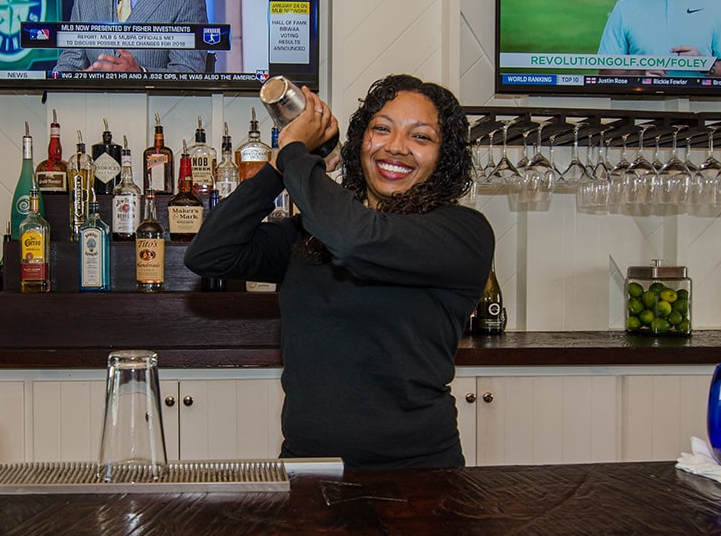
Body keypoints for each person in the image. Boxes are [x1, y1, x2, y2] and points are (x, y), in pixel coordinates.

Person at [184, 75, 495, 469]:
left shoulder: (461, 231)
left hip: (419, 474)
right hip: (308, 467)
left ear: (443, 155)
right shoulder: (314, 234)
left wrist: (296, 151)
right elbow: (210, 254)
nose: (396, 147)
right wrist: (278, 169)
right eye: (381, 129)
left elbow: (357, 240)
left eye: (421, 137)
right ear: (360, 142)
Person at [54, 0, 209, 74]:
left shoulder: (186, 0)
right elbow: (69, 64)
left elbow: (189, 73)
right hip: (94, 112)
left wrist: (140, 73)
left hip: (155, 115)